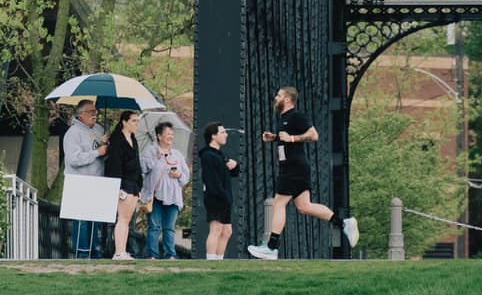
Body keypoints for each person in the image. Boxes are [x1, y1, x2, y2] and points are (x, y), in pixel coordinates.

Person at [246, 87, 358, 260]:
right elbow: (288, 139)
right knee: (304, 207)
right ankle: (344, 223)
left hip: (293, 168)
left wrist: (292, 138)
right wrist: (275, 138)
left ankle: (271, 247)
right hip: (295, 168)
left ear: (288, 100)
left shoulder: (296, 116)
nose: (276, 98)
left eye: (279, 96)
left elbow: (314, 135)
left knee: (278, 204)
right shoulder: (284, 119)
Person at [62, 100, 109, 258]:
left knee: (95, 219)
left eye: (95, 111)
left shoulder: (99, 129)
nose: (94, 114)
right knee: (82, 219)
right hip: (80, 182)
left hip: (97, 181)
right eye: (90, 112)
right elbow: (74, 159)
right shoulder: (73, 133)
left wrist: (105, 146)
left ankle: (94, 251)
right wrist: (97, 153)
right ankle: (82, 253)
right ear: (81, 114)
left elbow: (100, 153)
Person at [142, 121, 191, 260]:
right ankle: (152, 255)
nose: (171, 137)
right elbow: (143, 168)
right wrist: (156, 157)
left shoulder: (177, 154)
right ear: (159, 136)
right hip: (156, 195)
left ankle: (170, 254)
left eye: (172, 134)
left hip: (173, 197)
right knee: (154, 227)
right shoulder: (150, 151)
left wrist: (179, 175)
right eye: (167, 134)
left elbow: (186, 176)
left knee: (169, 228)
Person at [104, 108, 145, 261]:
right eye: (133, 121)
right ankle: (119, 252)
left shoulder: (133, 138)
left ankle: (122, 250)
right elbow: (114, 164)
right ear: (124, 122)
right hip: (124, 183)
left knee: (127, 219)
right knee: (122, 218)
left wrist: (139, 186)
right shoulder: (117, 139)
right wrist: (118, 187)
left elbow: (137, 162)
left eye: (137, 121)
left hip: (134, 183)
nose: (136, 124)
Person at [198, 122, 239, 260]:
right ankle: (210, 261)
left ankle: (218, 260)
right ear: (213, 136)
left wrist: (234, 166)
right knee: (216, 229)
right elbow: (211, 181)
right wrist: (223, 195)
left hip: (225, 198)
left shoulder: (221, 155)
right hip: (215, 198)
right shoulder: (208, 156)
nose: (226, 134)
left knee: (227, 231)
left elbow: (233, 173)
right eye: (222, 132)